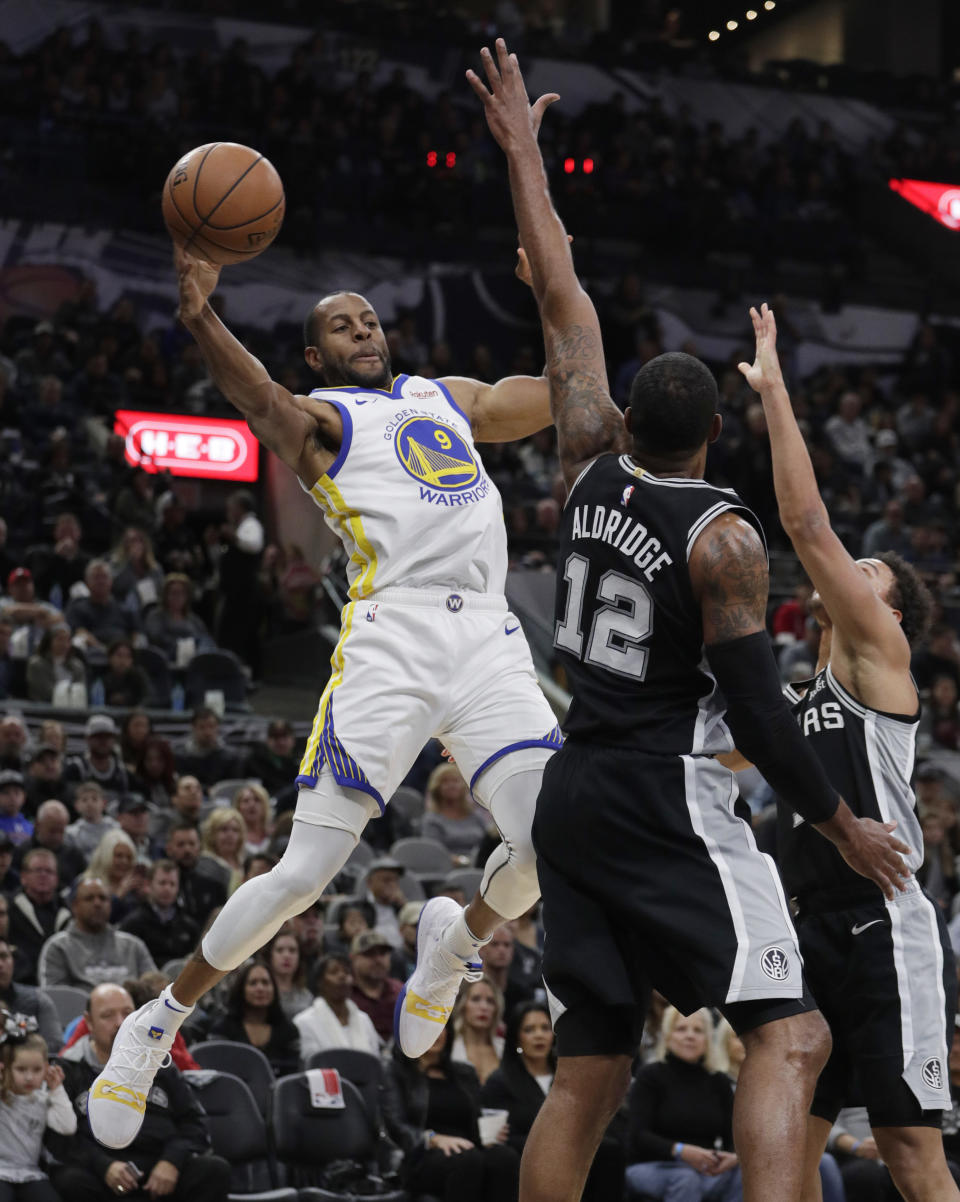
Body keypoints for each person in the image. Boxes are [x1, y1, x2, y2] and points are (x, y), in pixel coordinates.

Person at [464, 39, 912, 1202]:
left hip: (575, 789)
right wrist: (840, 820)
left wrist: (521, 149)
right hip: (665, 793)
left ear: (627, 419)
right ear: (714, 433)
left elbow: (560, 291)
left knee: (590, 1067)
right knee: (792, 1032)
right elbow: (759, 705)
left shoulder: (585, 460)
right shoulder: (723, 537)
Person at [86, 209, 564, 1147]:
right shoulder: (322, 421)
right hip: (392, 635)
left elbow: (551, 394)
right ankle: (154, 1028)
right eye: (342, 326)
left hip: (491, 637)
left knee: (553, 847)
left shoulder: (443, 397)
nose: (364, 333)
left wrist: (553, 291)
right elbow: (256, 397)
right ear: (315, 355)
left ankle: (453, 943)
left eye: (371, 322)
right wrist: (200, 318)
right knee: (304, 875)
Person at [738, 302, 960, 1201]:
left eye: (872, 574)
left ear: (892, 615)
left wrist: (776, 389)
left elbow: (805, 521)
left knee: (912, 1158)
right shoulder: (795, 696)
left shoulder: (881, 660)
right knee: (790, 1157)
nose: (852, 571)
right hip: (808, 926)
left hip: (883, 924)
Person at [55, 983, 228, 1202]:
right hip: (103, 1173)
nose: (119, 1023)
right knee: (69, 1180)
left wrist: (171, 1161)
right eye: (107, 1016)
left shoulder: (160, 1061)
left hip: (160, 1170)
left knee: (213, 1170)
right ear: (88, 1022)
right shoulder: (68, 1068)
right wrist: (103, 1166)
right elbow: (60, 1137)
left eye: (127, 1013)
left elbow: (195, 1122)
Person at [480, 1000, 624, 1202]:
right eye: (529, 1029)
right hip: (526, 1153)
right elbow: (496, 1135)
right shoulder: (500, 1081)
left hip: (571, 1148)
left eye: (545, 1028)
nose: (539, 1035)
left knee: (609, 1148)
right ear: (516, 1038)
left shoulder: (569, 1076)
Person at [382, 1026, 520, 1202]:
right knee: (468, 1160)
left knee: (505, 1157)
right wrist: (433, 1138)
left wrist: (490, 1132)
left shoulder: (464, 1073)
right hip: (421, 1153)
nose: (434, 1033)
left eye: (439, 1027)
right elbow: (396, 1126)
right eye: (427, 1027)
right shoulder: (396, 1071)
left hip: (467, 1147)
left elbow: (475, 1120)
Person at [0, 1014, 76, 1202]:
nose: (29, 1077)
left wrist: (57, 1089)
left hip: (30, 1174)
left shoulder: (43, 1101)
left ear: (46, 1068)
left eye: (36, 1070)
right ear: (6, 1067)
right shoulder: (2, 1097)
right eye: (21, 1069)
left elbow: (68, 1126)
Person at [37, 877, 155, 990]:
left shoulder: (133, 946)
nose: (97, 903)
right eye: (89, 898)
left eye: (103, 898)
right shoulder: (58, 947)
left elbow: (155, 990)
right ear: (74, 906)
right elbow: (56, 998)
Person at [208, 961, 300, 1077]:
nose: (260, 988)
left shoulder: (289, 1031)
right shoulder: (222, 1029)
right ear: (241, 989)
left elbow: (292, 1076)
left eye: (265, 983)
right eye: (253, 983)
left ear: (274, 990)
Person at [293, 951, 380, 1059]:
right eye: (334, 972)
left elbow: (375, 1063)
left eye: (347, 972)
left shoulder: (364, 1020)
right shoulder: (304, 1022)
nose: (342, 976)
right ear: (320, 982)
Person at [119, 860, 200, 971]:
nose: (167, 889)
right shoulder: (133, 924)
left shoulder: (190, 927)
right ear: (148, 885)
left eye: (172, 884)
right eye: (162, 883)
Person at [8, 851, 69, 985]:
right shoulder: (7, 909)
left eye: (49, 871)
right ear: (23, 877)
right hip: (20, 983)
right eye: (37, 870)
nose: (43, 875)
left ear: (56, 879)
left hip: (60, 984)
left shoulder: (70, 913)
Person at [422, 763, 490, 865]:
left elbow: (488, 843)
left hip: (480, 865)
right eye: (445, 782)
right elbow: (433, 852)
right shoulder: (432, 820)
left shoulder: (475, 816)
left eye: (455, 781)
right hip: (446, 869)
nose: (451, 785)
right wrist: (463, 861)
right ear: (436, 788)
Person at [0, 941, 62, 1050]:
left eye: (4, 956)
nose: (0, 964)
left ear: (13, 961)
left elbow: (54, 1047)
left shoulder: (38, 999)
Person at [143, 573, 215, 663]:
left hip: (194, 658)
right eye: (174, 593)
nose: (178, 597)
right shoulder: (155, 616)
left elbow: (205, 638)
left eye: (182, 593)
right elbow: (156, 638)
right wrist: (183, 646)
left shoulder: (194, 619)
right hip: (166, 657)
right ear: (166, 595)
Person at [349, 929, 403, 1044]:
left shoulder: (400, 991)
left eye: (383, 953)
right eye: (369, 954)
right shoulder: (344, 994)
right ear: (353, 958)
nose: (378, 960)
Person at [450, 976, 504, 1085]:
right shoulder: (449, 1048)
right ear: (462, 1004)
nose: (484, 1007)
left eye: (490, 1001)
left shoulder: (505, 1048)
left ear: (496, 1008)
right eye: (476, 999)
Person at [63, 716, 130, 803]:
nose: (103, 741)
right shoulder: (75, 769)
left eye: (107, 737)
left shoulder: (120, 771)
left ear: (114, 739)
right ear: (87, 738)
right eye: (98, 737)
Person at [173, 708, 242, 789]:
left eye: (211, 726)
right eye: (202, 727)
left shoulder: (231, 757)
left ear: (217, 727)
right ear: (193, 728)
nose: (207, 732)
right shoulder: (180, 757)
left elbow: (234, 786)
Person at [84, 830, 142, 922]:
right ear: (105, 856)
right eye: (119, 856)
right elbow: (93, 920)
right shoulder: (86, 884)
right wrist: (118, 897)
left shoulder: (134, 889)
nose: (124, 861)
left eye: (128, 857)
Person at [25, 625, 86, 703]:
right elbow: (46, 693)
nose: (64, 644)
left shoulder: (77, 666)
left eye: (67, 640)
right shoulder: (36, 664)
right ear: (49, 641)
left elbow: (80, 691)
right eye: (60, 639)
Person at [263, 927, 312, 1020]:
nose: (286, 956)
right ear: (270, 955)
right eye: (280, 950)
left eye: (292, 950)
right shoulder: (260, 992)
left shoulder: (307, 996)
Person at [196, 807, 246, 896]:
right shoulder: (204, 865)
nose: (230, 835)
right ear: (211, 834)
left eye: (235, 830)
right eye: (224, 829)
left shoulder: (246, 862)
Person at [64, 784, 118, 863]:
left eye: (94, 799)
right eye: (84, 800)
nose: (89, 803)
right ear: (76, 806)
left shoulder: (114, 828)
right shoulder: (70, 833)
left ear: (104, 803)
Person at [96, 639, 151, 708]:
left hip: (133, 714)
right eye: (119, 655)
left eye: (128, 656)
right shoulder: (100, 674)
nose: (123, 661)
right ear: (110, 657)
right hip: (106, 714)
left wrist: (139, 709)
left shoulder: (138, 675)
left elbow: (148, 697)